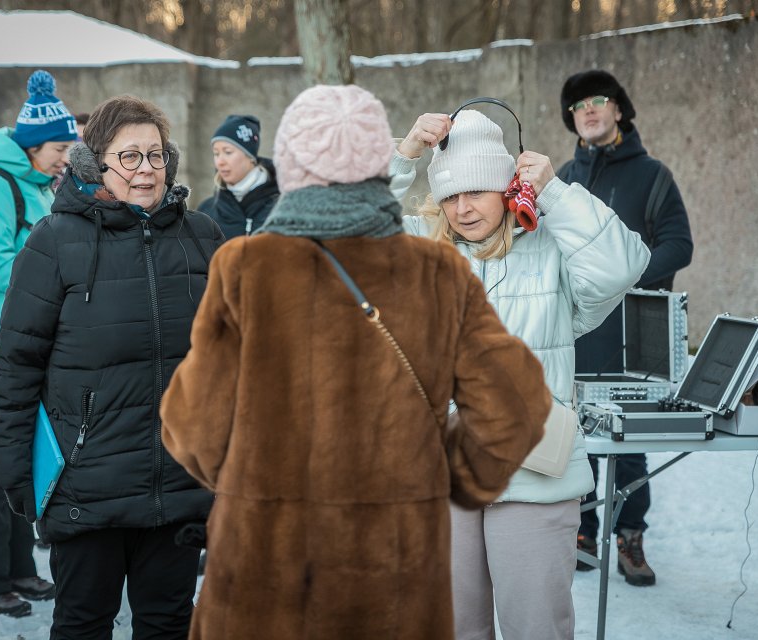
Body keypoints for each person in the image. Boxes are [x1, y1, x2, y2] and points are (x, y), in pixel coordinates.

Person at [160, 84, 553, 640]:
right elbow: (514, 405)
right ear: (374, 164)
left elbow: (191, 427)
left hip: (261, 577)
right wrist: (443, 478)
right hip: (394, 579)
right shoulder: (436, 272)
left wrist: (258, 486)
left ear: (292, 168)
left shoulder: (246, 267)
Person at [390, 108, 650, 639]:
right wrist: (405, 156)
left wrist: (553, 193)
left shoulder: (552, 247)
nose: (462, 210)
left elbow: (624, 264)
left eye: (477, 193)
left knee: (537, 628)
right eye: (450, 196)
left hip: (533, 474)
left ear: (506, 189)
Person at [0, 94, 225, 639]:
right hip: (84, 488)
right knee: (83, 624)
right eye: (130, 156)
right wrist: (15, 472)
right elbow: (17, 368)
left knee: (168, 624)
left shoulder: (203, 238)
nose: (146, 169)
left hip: (179, 485)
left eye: (156, 155)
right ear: (97, 163)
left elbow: (231, 364)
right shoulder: (55, 242)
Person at [558, 69, 694, 586]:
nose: (588, 110)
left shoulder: (653, 175)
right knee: (577, 436)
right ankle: (583, 529)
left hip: (633, 336)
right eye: (578, 105)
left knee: (627, 441)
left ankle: (630, 536)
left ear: (619, 110)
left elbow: (678, 245)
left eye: (599, 100)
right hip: (577, 330)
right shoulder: (564, 178)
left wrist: (621, 278)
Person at [0, 69, 77, 618]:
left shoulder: (42, 189)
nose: (65, 157)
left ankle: (20, 566)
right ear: (31, 146)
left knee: (24, 456)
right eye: (58, 147)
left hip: (29, 342)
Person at [196, 114, 279, 238]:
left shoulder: (280, 207)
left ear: (250, 157)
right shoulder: (206, 211)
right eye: (216, 153)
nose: (220, 161)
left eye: (228, 152)